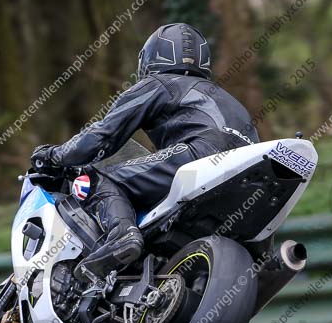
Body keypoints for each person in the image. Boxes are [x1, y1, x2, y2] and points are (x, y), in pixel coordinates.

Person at [31, 23, 259, 282]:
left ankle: (121, 236)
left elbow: (102, 135)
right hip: (246, 180)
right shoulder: (229, 99)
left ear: (153, 56)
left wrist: (55, 156)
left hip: (201, 157)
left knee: (97, 178)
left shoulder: (160, 83)